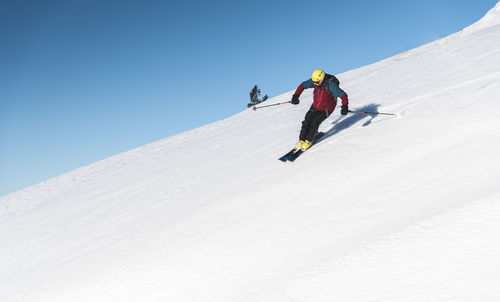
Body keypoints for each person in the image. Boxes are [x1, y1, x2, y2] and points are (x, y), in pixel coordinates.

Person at [291, 69, 349, 151]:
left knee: (315, 121)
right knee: (307, 120)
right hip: (315, 106)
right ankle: (301, 140)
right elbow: (303, 85)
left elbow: (343, 95)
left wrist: (345, 106)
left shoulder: (331, 86)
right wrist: (296, 96)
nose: (315, 84)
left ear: (322, 79)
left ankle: (308, 141)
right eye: (314, 82)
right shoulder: (316, 81)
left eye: (317, 83)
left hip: (327, 109)